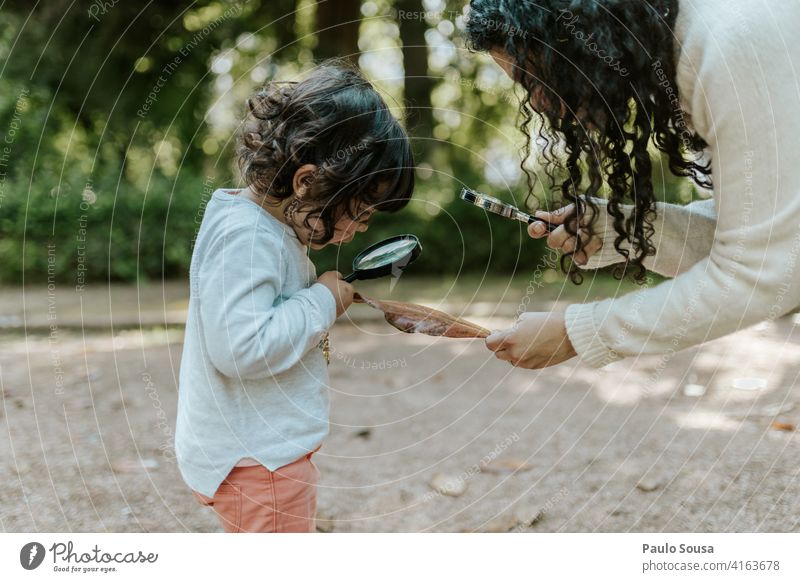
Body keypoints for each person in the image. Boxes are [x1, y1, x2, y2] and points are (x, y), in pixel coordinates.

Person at [464, 0, 800, 369]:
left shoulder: (727, 49)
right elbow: (765, 236)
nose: (539, 103)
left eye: (535, 78)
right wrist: (615, 231)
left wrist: (575, 332)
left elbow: (765, 270)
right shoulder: (692, 48)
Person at [175, 62, 415, 532]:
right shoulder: (249, 237)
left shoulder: (264, 228)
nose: (362, 227)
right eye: (360, 210)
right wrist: (322, 300)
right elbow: (240, 349)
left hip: (255, 454)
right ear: (306, 182)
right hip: (258, 462)